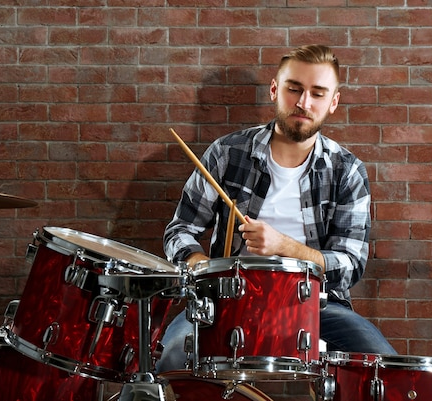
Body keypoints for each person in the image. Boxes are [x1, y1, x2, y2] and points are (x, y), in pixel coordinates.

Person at [156, 44, 396, 373]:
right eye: (293, 89)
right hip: (225, 299)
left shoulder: (347, 171)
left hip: (315, 305)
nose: (303, 103)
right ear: (274, 90)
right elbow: (180, 230)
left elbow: (350, 265)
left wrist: (284, 247)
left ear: (333, 103)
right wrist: (202, 267)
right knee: (170, 355)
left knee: (384, 368)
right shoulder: (227, 153)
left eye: (317, 93)